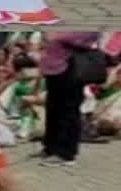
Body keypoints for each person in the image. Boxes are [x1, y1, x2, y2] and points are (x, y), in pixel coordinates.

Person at [39, 33, 101, 167]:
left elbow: (88, 37)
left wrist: (56, 35)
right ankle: (50, 147)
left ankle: (66, 153)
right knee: (53, 109)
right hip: (53, 68)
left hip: (71, 67)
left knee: (69, 111)